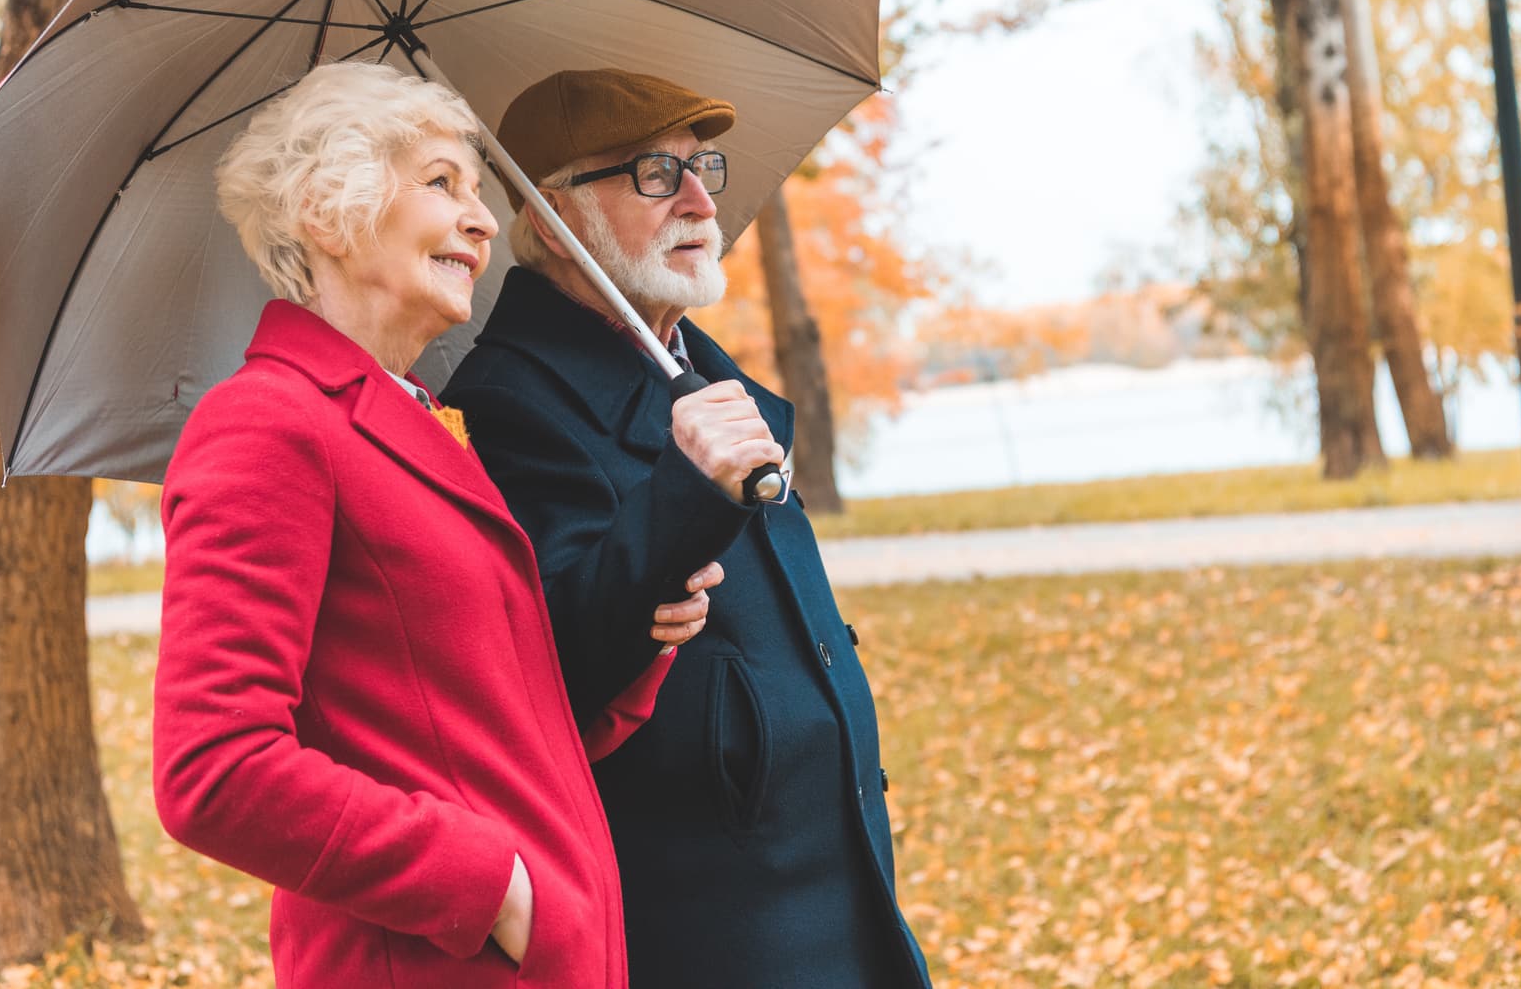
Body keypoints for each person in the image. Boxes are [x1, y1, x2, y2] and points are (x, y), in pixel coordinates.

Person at [150, 61, 721, 988]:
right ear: (328, 211)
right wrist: (491, 885)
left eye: (476, 188)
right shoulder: (268, 424)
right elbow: (214, 767)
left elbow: (497, 729)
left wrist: (643, 639)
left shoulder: (417, 423)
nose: (486, 218)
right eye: (440, 182)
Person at [443, 68, 934, 988]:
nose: (702, 199)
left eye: (700, 166)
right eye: (652, 175)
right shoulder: (511, 403)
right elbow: (561, 663)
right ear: (552, 221)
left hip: (836, 877)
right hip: (718, 915)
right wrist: (686, 489)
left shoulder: (702, 372)